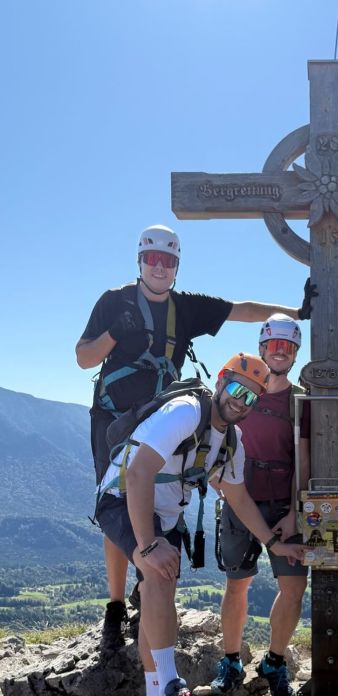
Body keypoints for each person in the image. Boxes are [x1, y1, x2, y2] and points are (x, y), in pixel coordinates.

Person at [76, 224, 317, 648]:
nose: (160, 267)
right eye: (153, 259)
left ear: (177, 265)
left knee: (169, 492)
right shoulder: (114, 301)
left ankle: (145, 585)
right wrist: (114, 332)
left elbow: (241, 309)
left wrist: (297, 313)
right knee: (116, 498)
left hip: (166, 417)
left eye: (168, 261)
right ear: (140, 261)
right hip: (113, 419)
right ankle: (116, 605)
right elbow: (83, 358)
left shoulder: (186, 307)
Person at [95, 352, 306, 696]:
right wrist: (148, 545)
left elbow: (238, 498)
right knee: (158, 576)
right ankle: (172, 689)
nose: (241, 401)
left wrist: (274, 545)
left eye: (251, 397)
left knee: (158, 591)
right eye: (237, 388)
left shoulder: (232, 442)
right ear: (221, 381)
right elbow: (139, 473)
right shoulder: (185, 412)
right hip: (123, 498)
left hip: (164, 514)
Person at [211, 314, 310, 696]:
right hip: (240, 499)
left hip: (283, 503)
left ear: (295, 353)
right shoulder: (243, 389)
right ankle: (231, 661)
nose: (279, 353)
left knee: (294, 586)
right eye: (273, 346)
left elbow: (302, 459)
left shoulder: (300, 399)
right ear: (262, 348)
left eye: (287, 347)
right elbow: (217, 434)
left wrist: (294, 512)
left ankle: (275, 661)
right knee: (237, 583)